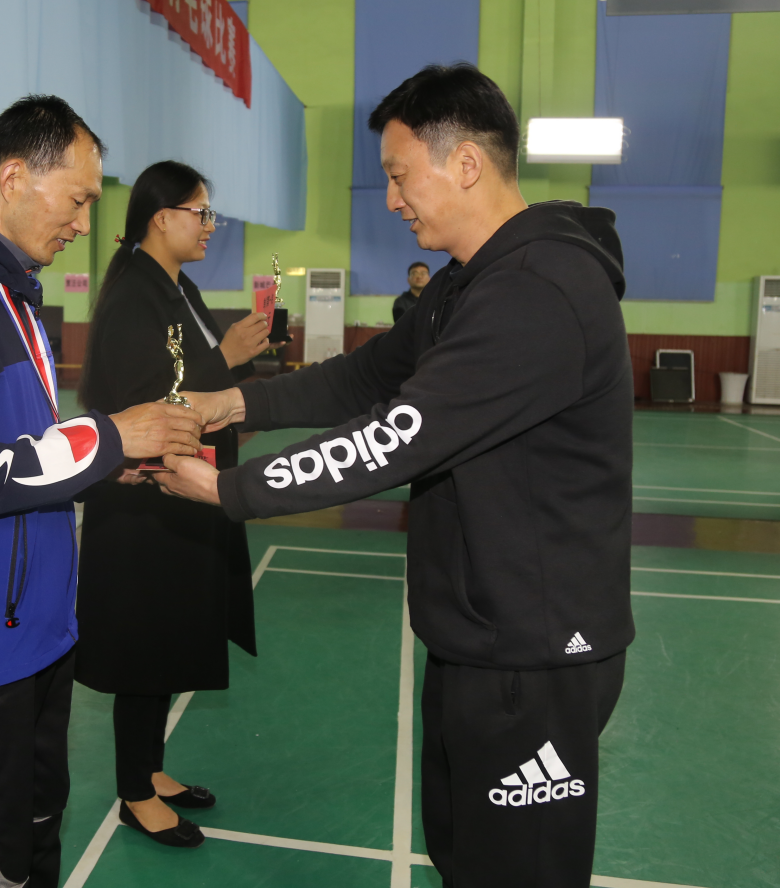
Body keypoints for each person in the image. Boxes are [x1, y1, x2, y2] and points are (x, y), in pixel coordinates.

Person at [156, 64, 634, 888]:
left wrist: (230, 490)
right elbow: (366, 376)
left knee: (517, 872)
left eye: (398, 174)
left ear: (466, 164)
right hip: (475, 635)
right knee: (464, 857)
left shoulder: (539, 292)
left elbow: (397, 435)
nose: (389, 199)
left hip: (535, 653)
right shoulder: (465, 285)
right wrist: (230, 404)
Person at [0, 95, 204, 888]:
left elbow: (21, 444)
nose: (85, 223)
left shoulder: (12, 293)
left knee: (40, 827)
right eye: (78, 199)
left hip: (42, 627)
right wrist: (110, 437)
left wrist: (104, 466)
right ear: (14, 177)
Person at [74, 161, 272, 849]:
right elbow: (141, 404)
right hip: (141, 506)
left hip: (179, 496)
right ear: (162, 217)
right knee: (144, 648)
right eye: (200, 212)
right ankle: (135, 793)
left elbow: (188, 377)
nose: (210, 225)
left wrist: (234, 365)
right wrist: (228, 357)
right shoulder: (135, 295)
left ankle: (151, 770)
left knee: (166, 645)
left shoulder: (177, 287)